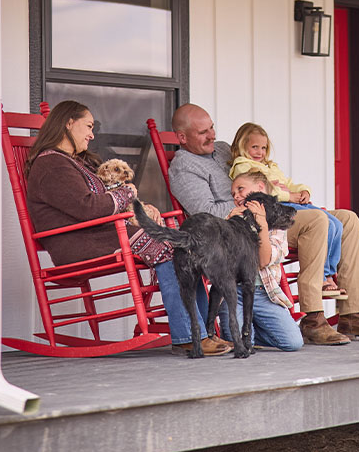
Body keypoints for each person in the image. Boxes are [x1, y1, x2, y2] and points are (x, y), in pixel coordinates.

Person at [25, 100, 232, 356]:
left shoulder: (75, 161)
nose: (92, 134)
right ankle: (190, 335)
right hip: (78, 242)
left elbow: (107, 199)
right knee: (170, 246)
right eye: (88, 126)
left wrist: (140, 208)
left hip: (103, 233)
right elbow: (88, 207)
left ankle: (204, 332)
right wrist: (128, 192)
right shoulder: (52, 164)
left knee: (185, 247)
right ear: (68, 123)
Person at [167, 103, 359, 345]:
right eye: (203, 132)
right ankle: (313, 317)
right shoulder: (183, 168)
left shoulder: (223, 150)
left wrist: (284, 192)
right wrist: (255, 209)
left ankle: (356, 315)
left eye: (212, 128)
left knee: (347, 218)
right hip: (246, 227)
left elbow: (261, 171)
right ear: (182, 137)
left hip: (272, 211)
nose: (212, 135)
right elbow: (207, 213)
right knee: (316, 221)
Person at [228, 122, 345, 296]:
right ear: (242, 146)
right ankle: (321, 276)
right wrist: (289, 195)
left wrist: (304, 190)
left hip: (293, 203)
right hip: (277, 208)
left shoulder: (270, 167)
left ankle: (328, 273)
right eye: (254, 147)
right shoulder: (243, 165)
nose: (260, 152)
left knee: (336, 224)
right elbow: (263, 191)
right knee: (322, 221)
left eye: (263, 148)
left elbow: (288, 184)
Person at [218, 171, 304, 352]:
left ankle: (256, 328)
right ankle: (250, 333)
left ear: (259, 190)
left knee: (293, 343)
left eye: (240, 189)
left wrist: (262, 224)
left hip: (263, 294)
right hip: (236, 294)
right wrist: (229, 223)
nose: (236, 196)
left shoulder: (277, 225)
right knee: (240, 342)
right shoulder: (232, 220)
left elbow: (263, 260)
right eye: (233, 194)